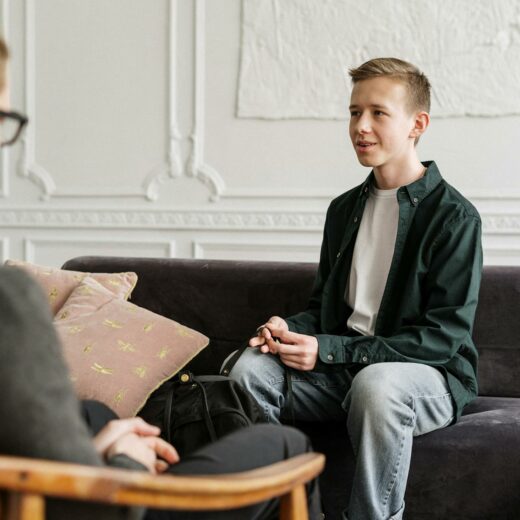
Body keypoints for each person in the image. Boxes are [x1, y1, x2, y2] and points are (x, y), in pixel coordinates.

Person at [0, 38, 322, 520]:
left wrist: (102, 444)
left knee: (98, 416)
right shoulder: (11, 302)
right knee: (286, 445)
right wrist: (124, 462)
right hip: (103, 507)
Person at [230, 58, 483, 520]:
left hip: (425, 379)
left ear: (417, 124)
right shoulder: (344, 210)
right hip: (343, 372)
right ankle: (284, 509)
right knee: (249, 372)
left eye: (378, 113)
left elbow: (443, 338)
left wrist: (328, 351)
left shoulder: (454, 218)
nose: (360, 127)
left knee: (376, 385)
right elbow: (324, 309)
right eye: (353, 112)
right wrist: (288, 328)